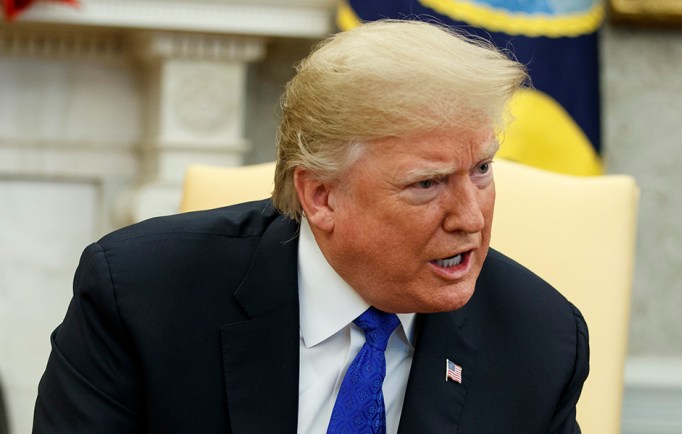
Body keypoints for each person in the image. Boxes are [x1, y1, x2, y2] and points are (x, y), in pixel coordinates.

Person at [33, 20, 588, 433]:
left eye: (483, 170)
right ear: (321, 196)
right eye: (428, 184)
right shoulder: (142, 296)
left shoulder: (540, 344)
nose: (470, 217)